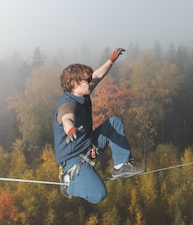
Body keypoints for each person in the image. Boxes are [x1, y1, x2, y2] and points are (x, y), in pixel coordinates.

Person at [53, 47, 144, 203]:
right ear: (74, 84)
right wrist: (70, 129)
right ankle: (69, 182)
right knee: (99, 194)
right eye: (87, 80)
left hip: (87, 146)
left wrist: (112, 59)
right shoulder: (68, 103)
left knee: (114, 122)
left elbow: (97, 75)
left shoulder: (82, 92)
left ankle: (121, 166)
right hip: (72, 159)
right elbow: (66, 116)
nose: (91, 82)